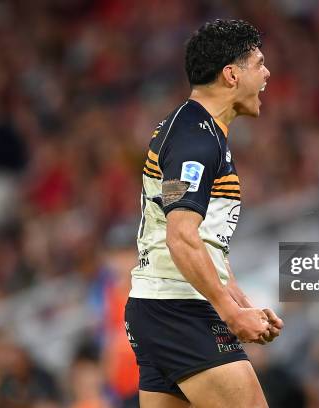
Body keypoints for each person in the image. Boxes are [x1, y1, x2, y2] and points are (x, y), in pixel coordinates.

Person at [124, 19, 284, 408]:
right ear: (231, 74)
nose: (267, 74)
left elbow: (200, 239)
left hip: (161, 308)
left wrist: (239, 301)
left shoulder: (197, 130)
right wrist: (229, 312)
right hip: (179, 310)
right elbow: (181, 236)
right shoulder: (195, 138)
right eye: (258, 63)